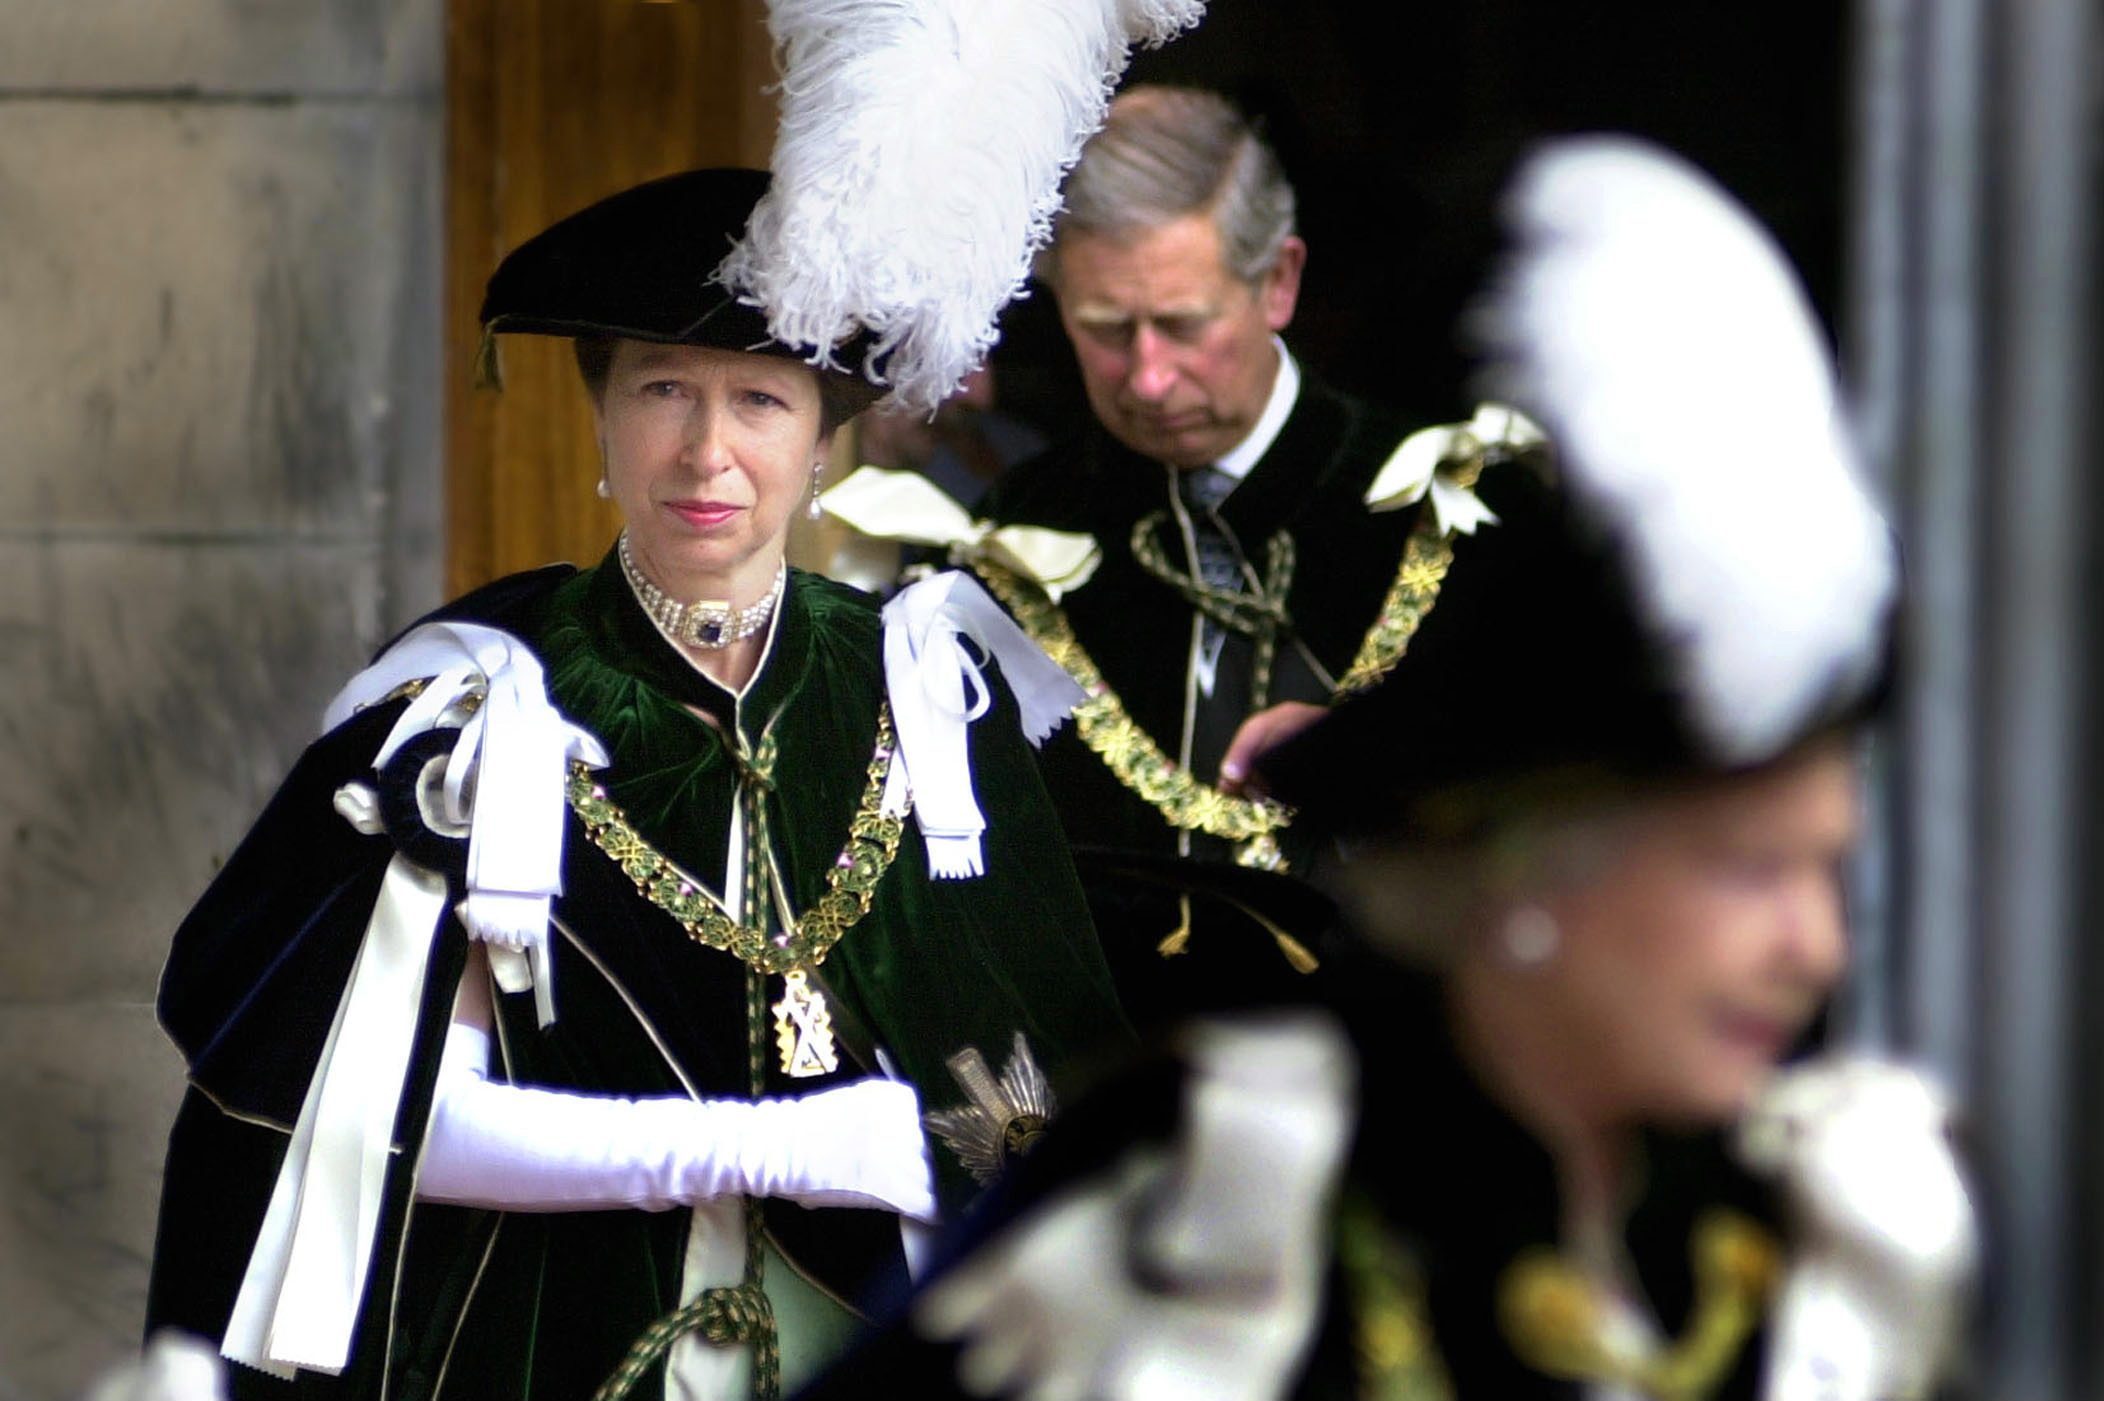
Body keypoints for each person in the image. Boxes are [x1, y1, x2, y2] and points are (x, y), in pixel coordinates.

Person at [793, 138, 1976, 1401]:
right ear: (1525, 858)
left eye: (1826, 872)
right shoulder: (1209, 1200)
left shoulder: (1825, 1226)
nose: (1816, 950)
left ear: (1278, 285)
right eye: (1751, 873)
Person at [144, 169, 1130, 1400]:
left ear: (820, 439)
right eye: (663, 390)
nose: (707, 452)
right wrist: (752, 1147)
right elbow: (388, 1131)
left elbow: (1058, 1098)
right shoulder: (476, 708)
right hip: (556, 1343)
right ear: (601, 417)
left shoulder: (928, 696)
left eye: (759, 402)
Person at [825, 84, 1536, 1025]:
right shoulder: (1006, 540)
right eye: (1108, 331)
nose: (1150, 378)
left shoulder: (1467, 510)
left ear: (1279, 282)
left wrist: (1374, 753)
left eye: (1185, 325)